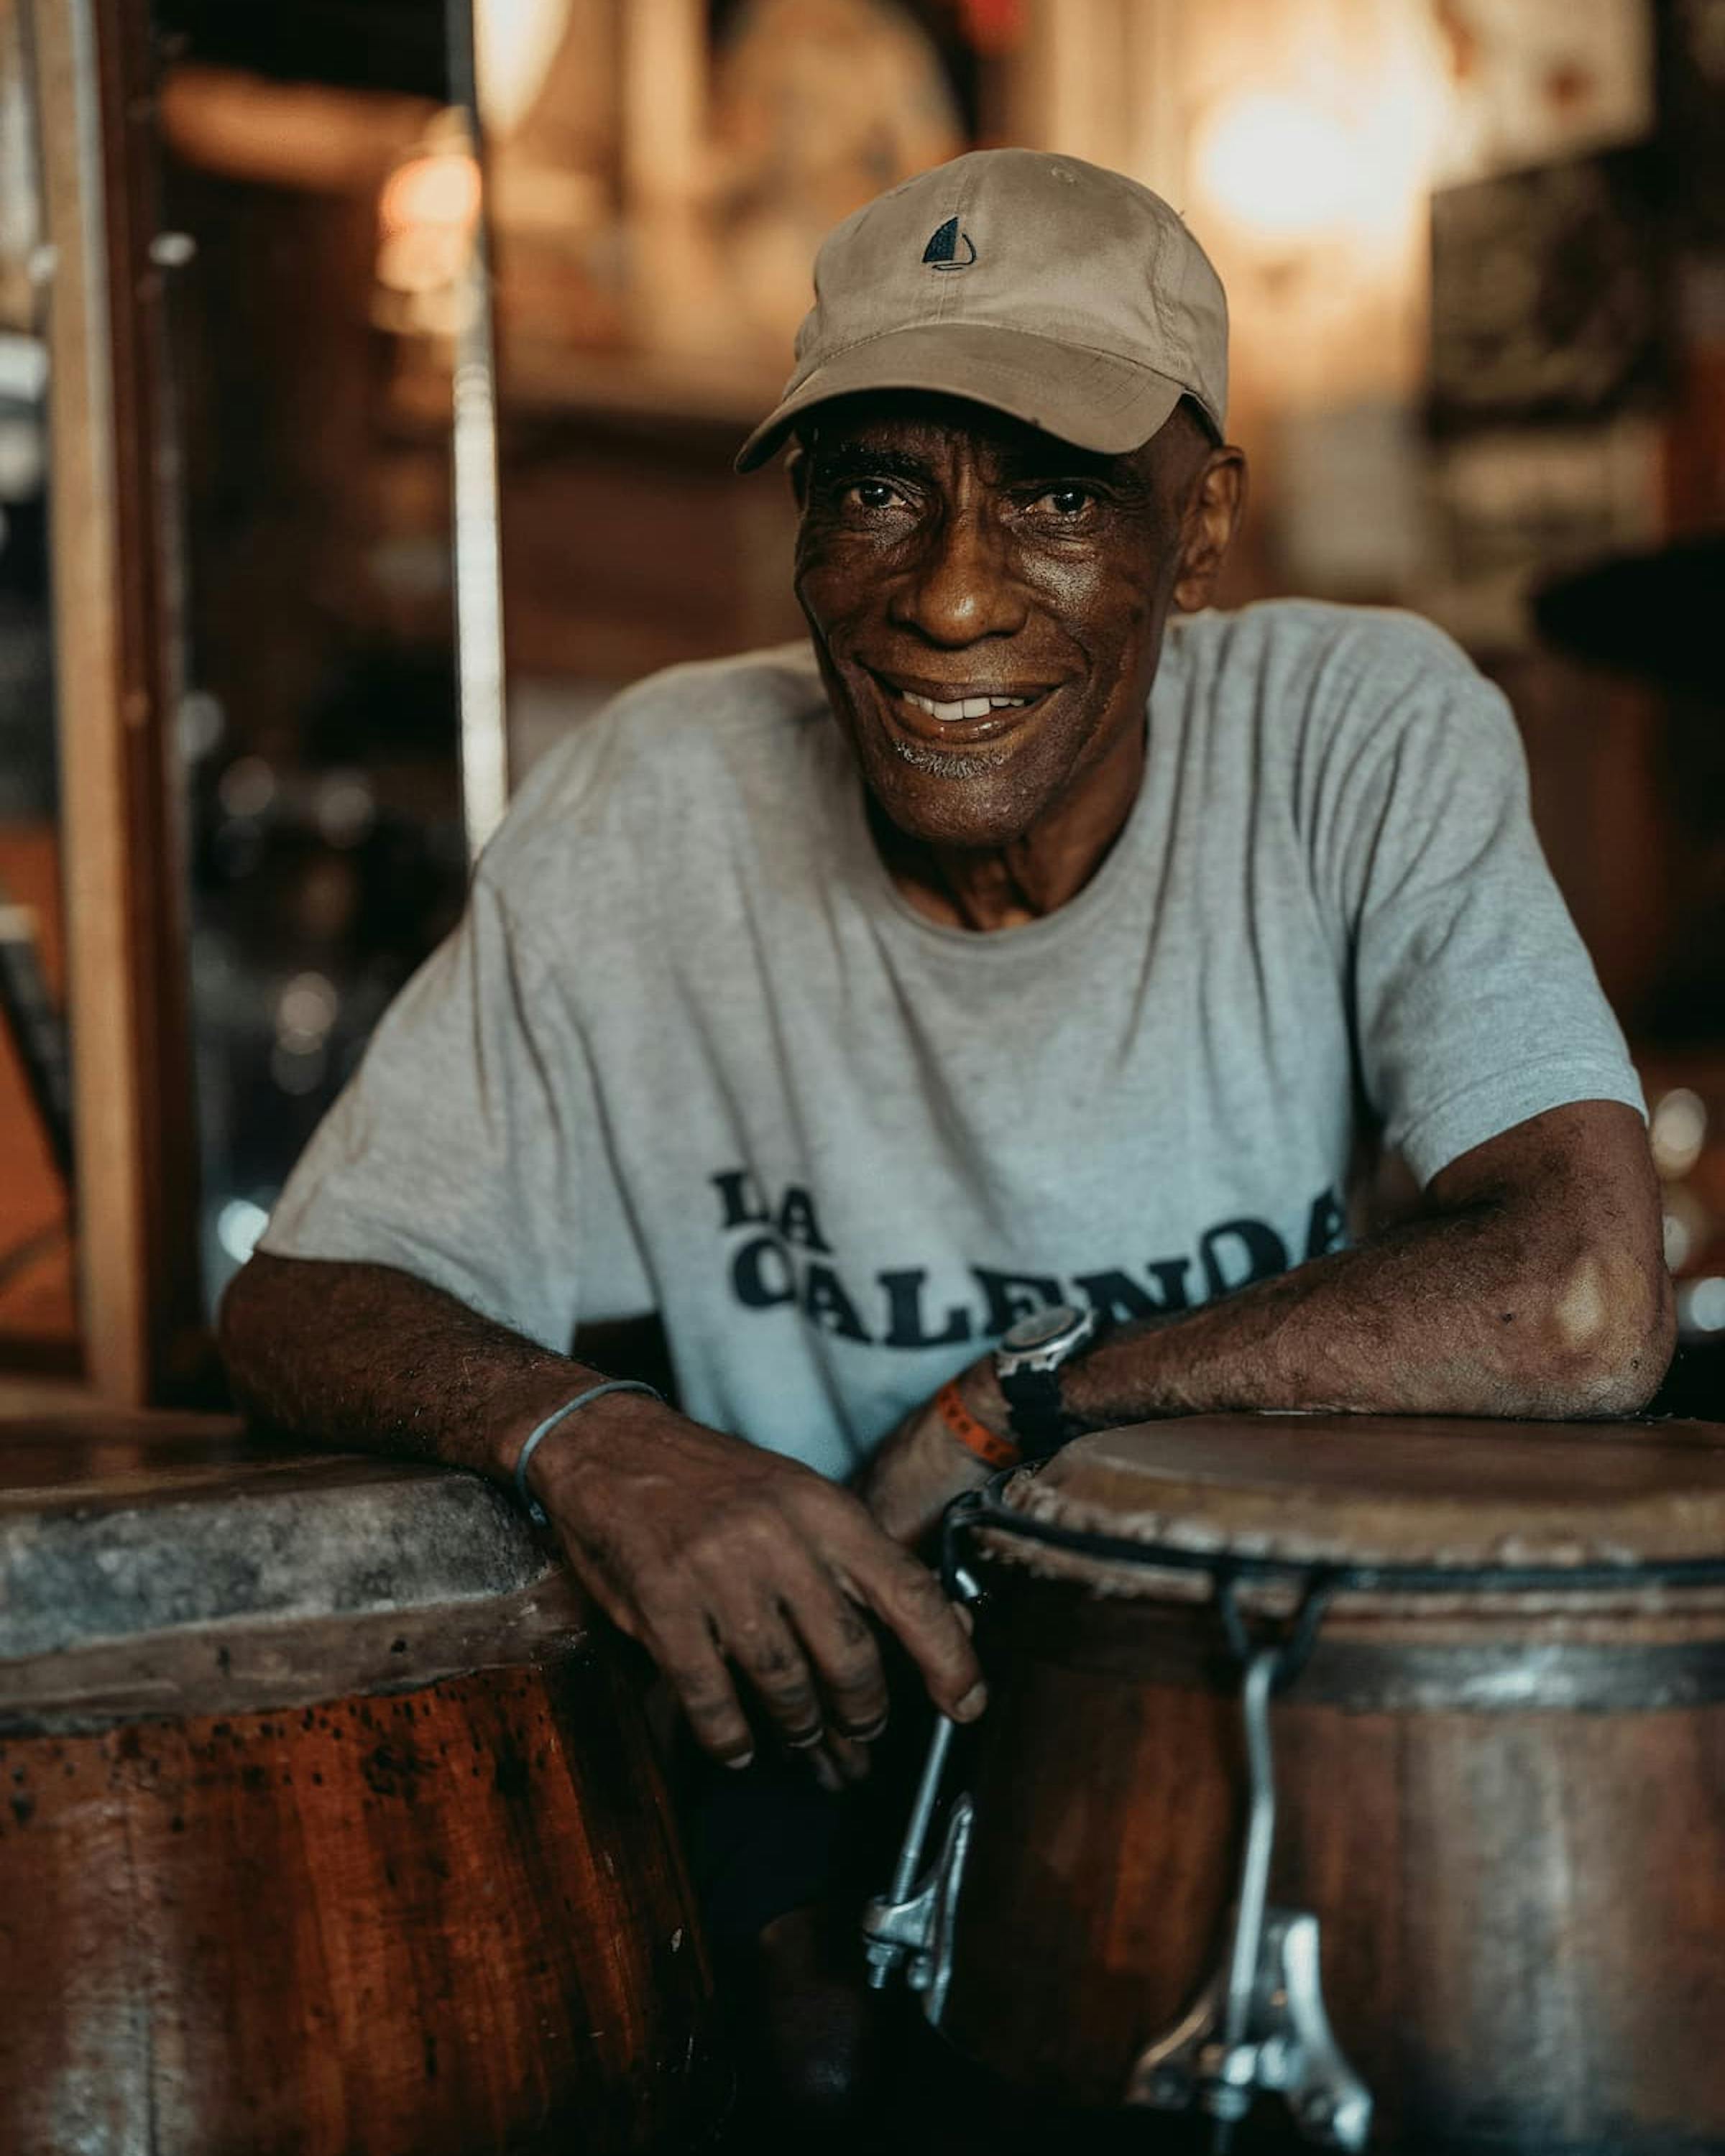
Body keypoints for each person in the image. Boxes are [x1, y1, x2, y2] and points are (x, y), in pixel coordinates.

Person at [220, 147, 1673, 2125]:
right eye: (878, 487)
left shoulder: (1359, 727)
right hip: (829, 1768)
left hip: (1241, 1762)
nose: (953, 594)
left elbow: (1583, 1297)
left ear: (1207, 525)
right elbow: (297, 1304)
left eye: (1059, 494)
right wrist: (595, 1439)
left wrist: (1017, 1408)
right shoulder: (659, 796)